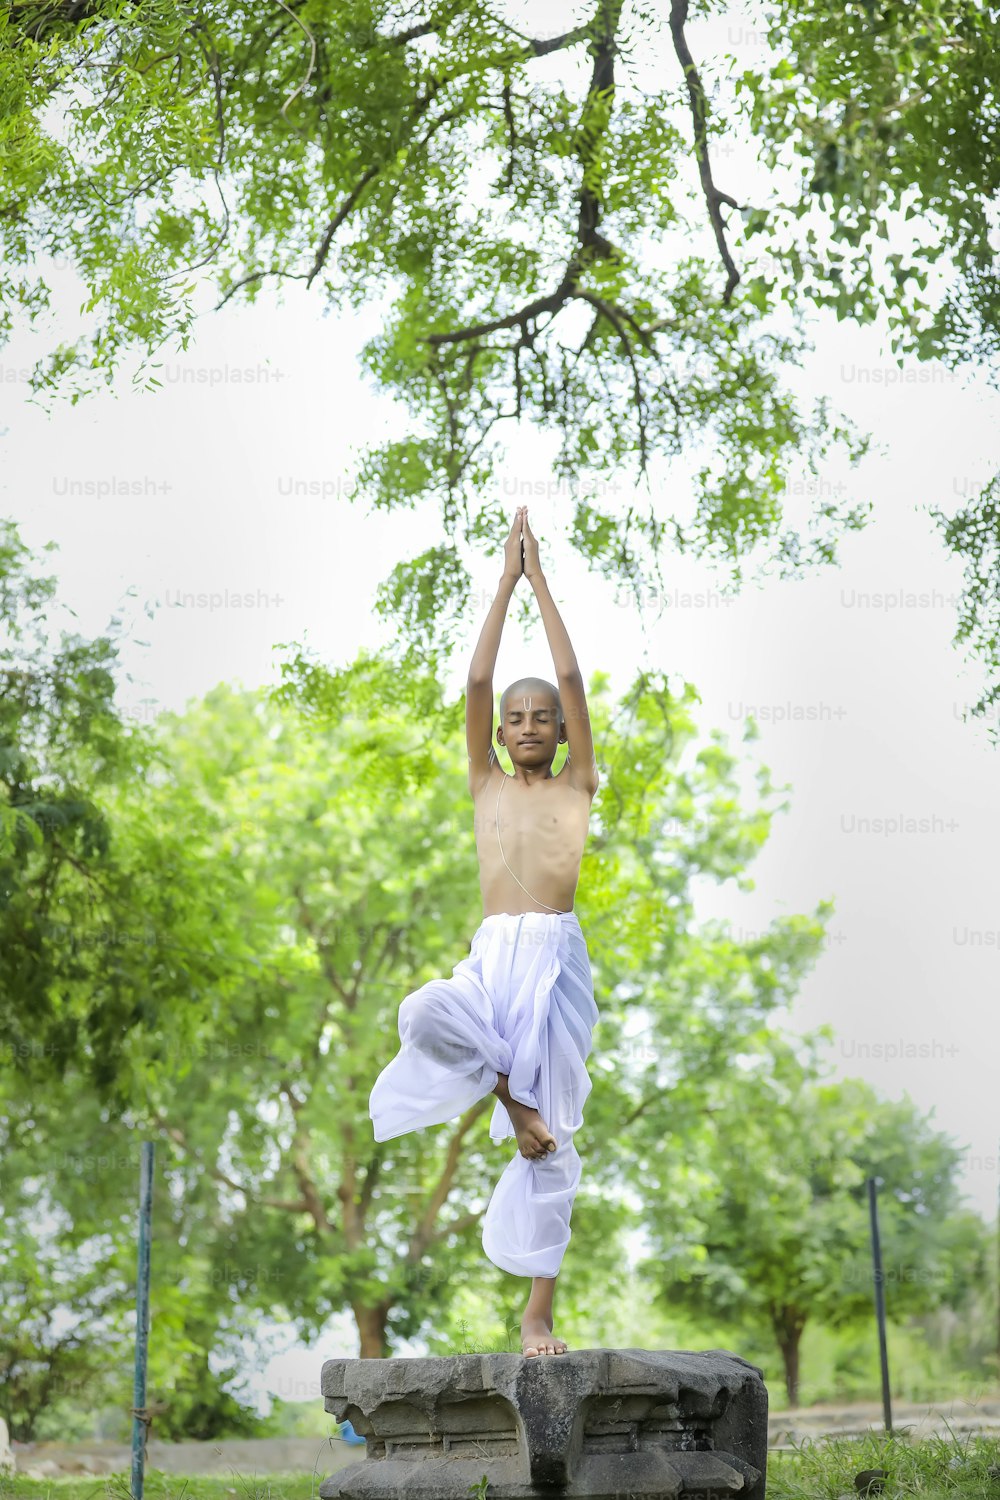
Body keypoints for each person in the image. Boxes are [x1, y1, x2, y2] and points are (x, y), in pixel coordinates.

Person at [369, 506, 600, 1357]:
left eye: (544, 715)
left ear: (563, 731)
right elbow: (474, 683)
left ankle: (536, 1312)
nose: (531, 722)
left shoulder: (576, 785)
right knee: (425, 1013)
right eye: (517, 717)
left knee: (554, 1145)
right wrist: (504, 583)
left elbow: (573, 679)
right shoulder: (486, 786)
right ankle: (512, 1091)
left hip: (556, 959)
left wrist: (545, 581)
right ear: (500, 734)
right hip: (493, 953)